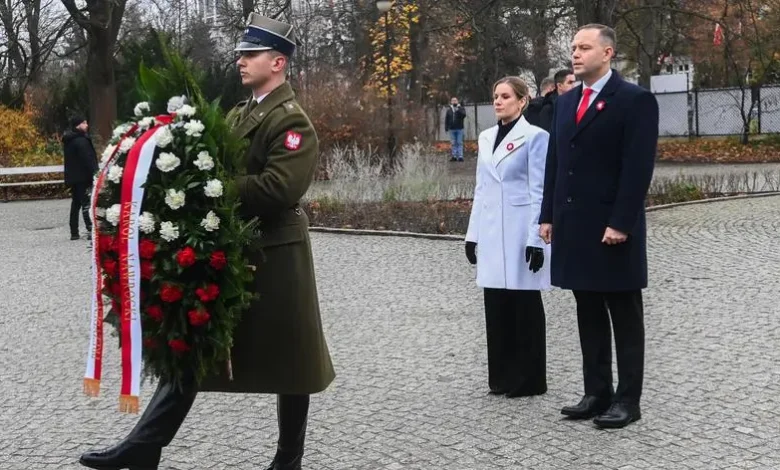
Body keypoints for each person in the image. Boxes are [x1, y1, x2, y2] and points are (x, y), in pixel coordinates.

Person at [79, 13, 336, 470]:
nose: (241, 60)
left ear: (278, 62)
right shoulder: (240, 112)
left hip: (277, 258)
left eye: (251, 53)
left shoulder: (291, 122)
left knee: (294, 361)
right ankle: (145, 444)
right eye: (240, 53)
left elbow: (280, 188)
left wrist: (209, 188)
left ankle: (288, 459)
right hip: (233, 252)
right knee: (194, 342)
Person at [538, 23, 658, 429]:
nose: (576, 53)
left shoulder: (634, 100)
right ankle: (596, 392)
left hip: (612, 228)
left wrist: (621, 222)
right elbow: (556, 163)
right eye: (574, 47)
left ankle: (628, 400)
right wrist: (548, 215)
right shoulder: (565, 102)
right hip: (574, 226)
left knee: (624, 315)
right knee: (587, 310)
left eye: (584, 47)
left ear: (607, 53)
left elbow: (637, 168)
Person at [465, 76, 551, 399]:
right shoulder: (486, 137)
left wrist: (536, 239)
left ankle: (529, 379)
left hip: (519, 230)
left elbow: (539, 190)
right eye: (495, 96)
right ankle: (501, 376)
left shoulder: (535, 137)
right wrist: (472, 234)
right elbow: (481, 188)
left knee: (524, 304)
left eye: (505, 96)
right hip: (490, 229)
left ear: (522, 101)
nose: (498, 102)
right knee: (496, 305)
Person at [62, 115, 97, 240]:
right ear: (78, 125)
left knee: (76, 204)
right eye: (84, 123)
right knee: (86, 203)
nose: (87, 125)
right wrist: (96, 173)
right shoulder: (81, 140)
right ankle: (90, 229)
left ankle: (74, 231)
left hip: (74, 177)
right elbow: (88, 159)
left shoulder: (69, 140)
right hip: (84, 177)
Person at [445, 96, 467, 161]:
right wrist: (446, 127)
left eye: (455, 100)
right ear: (451, 102)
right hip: (451, 129)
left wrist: (458, 110)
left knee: (459, 142)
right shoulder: (449, 110)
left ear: (457, 101)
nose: (454, 102)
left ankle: (460, 156)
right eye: (453, 100)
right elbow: (447, 119)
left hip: (459, 128)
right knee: (453, 143)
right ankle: (454, 156)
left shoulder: (461, 108)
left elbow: (464, 115)